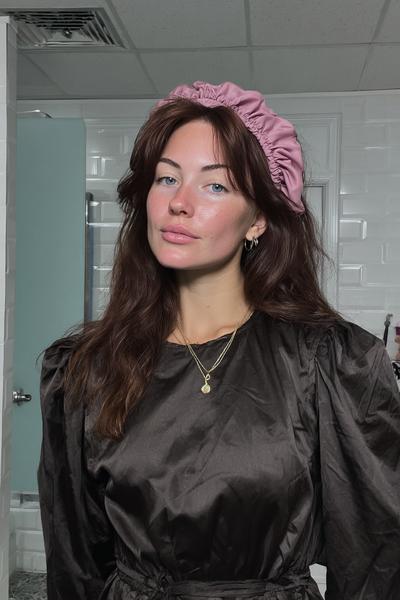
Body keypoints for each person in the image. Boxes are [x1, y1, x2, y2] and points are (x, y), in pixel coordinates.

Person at [37, 81, 400, 600]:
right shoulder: (86, 368)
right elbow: (74, 565)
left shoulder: (331, 362)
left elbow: (375, 564)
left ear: (258, 219)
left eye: (214, 186)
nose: (179, 203)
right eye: (167, 178)